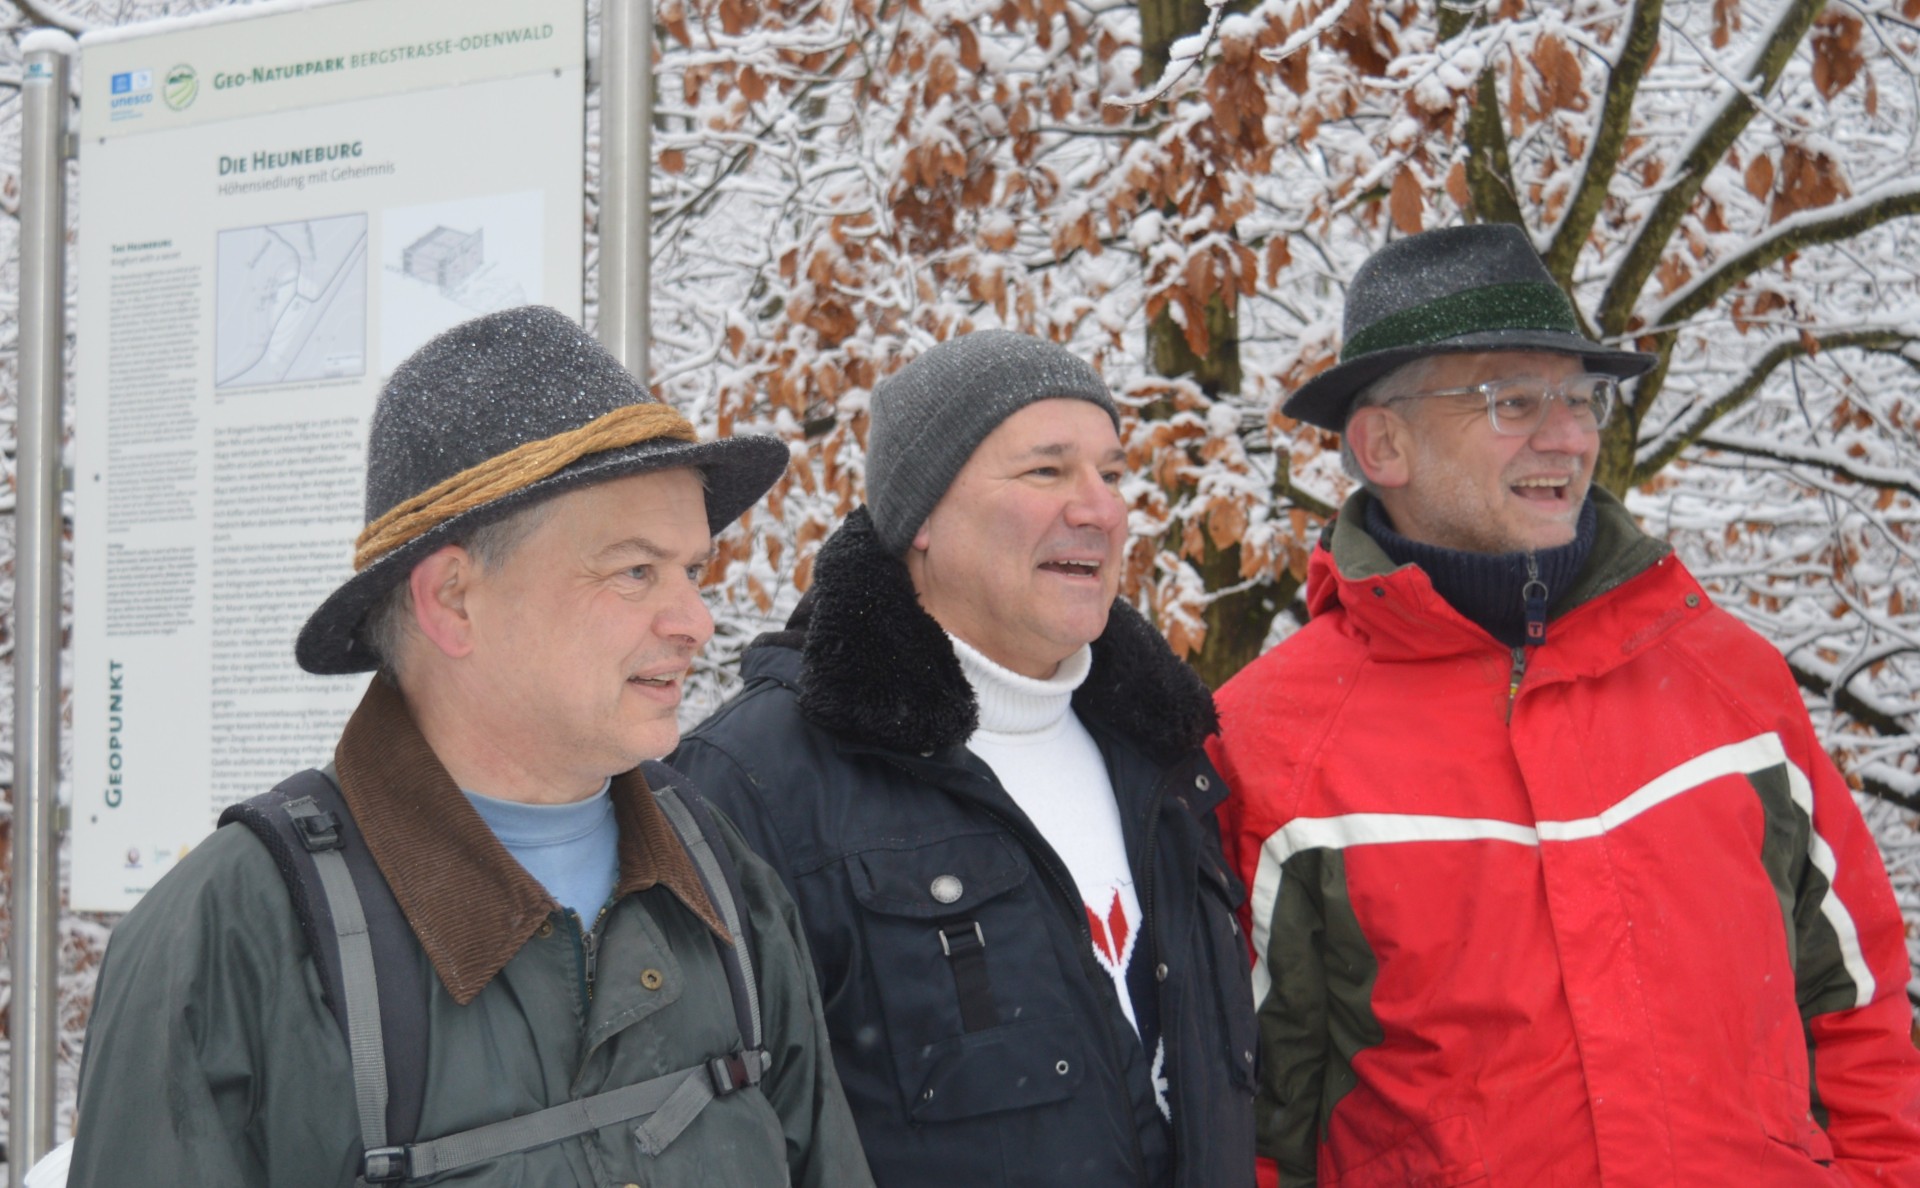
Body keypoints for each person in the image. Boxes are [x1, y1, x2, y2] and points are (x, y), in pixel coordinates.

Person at [68, 307, 874, 1188]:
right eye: (636, 571)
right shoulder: (228, 939)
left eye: (692, 572)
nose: (695, 621)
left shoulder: (720, 879)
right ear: (452, 600)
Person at [1212, 223, 1920, 1187]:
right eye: (1513, 401)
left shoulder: (1726, 674)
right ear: (1383, 444)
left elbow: (1858, 1000)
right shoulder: (1271, 746)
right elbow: (1252, 1122)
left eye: (1581, 398)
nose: (1571, 435)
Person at [671, 330, 1258, 1187]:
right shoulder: (754, 780)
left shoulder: (1165, 756)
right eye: (1047, 471)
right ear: (921, 517)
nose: (1101, 510)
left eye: (1113, 473)